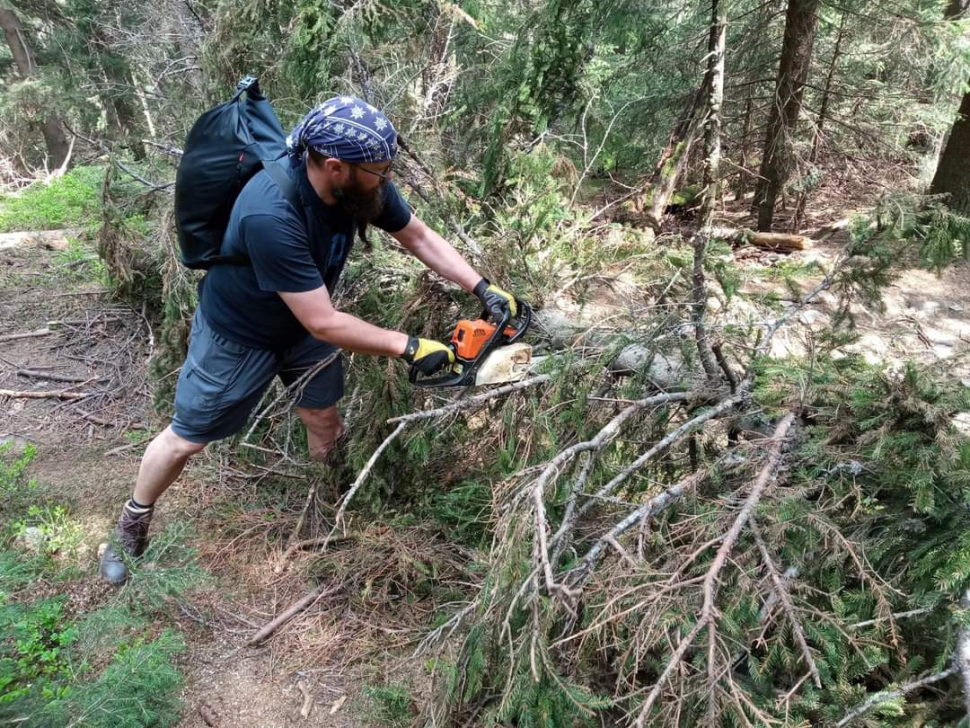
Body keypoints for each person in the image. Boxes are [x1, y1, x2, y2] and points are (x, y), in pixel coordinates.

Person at [99, 96, 519, 584]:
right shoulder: (270, 212)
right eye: (380, 170)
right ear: (335, 166)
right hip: (240, 333)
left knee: (323, 417)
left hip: (306, 326)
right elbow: (324, 321)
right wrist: (410, 346)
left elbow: (418, 237)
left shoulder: (361, 187)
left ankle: (331, 502)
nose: (387, 179)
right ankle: (132, 522)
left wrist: (482, 287)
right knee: (187, 438)